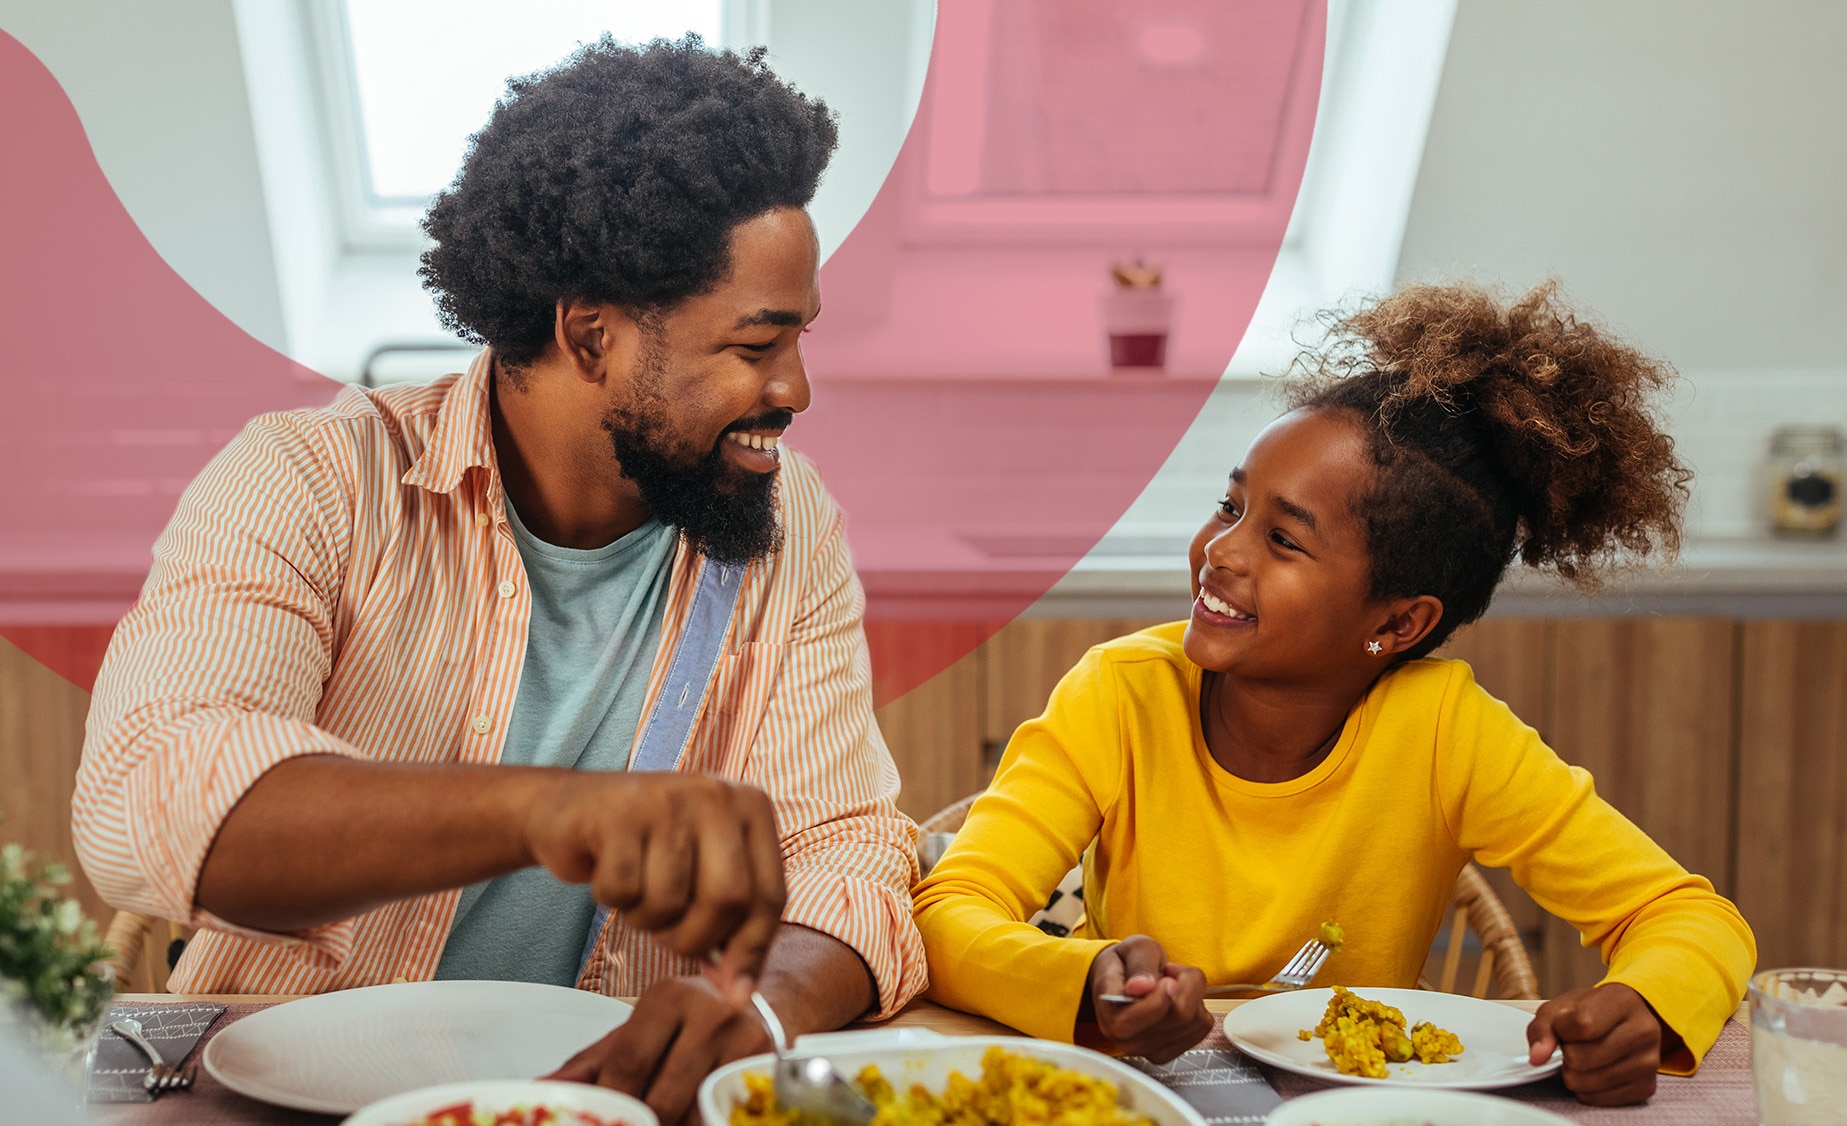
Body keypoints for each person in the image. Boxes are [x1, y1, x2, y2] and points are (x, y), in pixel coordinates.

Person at [73, 37, 926, 1121]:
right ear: (590, 334)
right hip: (295, 1098)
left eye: (799, 336)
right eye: (755, 344)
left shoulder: (783, 519)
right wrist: (544, 809)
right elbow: (151, 790)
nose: (794, 386)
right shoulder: (312, 478)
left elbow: (843, 849)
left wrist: (763, 1009)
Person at [911, 283, 1755, 1106]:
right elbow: (951, 910)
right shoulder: (1121, 694)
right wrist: (1088, 982)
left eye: (1282, 539)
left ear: (1395, 624)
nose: (1221, 552)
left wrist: (1642, 1004)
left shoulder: (1444, 732)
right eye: (1228, 506)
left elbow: (1688, 916)